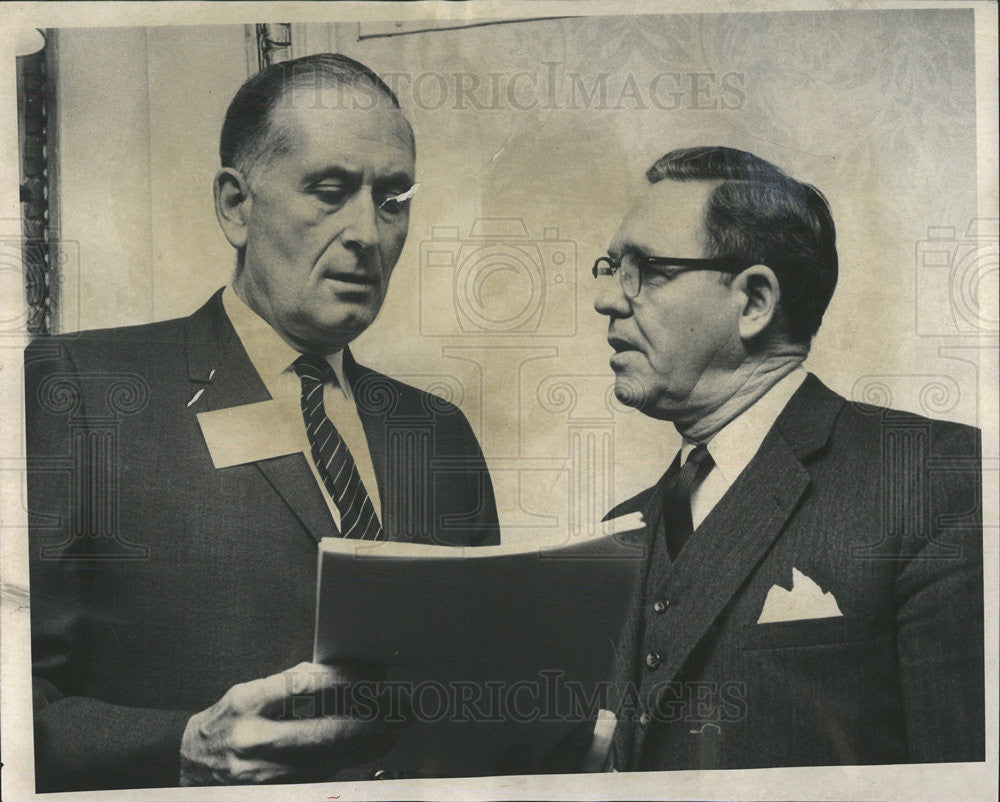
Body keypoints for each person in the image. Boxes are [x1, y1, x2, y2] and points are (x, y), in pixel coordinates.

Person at [25, 53, 500, 792]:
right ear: (236, 206)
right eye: (330, 191)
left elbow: (476, 694)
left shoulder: (437, 433)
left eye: (392, 199)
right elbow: (18, 708)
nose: (367, 234)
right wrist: (180, 747)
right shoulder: (88, 392)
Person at [592, 146, 984, 770]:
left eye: (648, 270)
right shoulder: (617, 534)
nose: (609, 300)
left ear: (753, 301)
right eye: (611, 267)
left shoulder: (935, 479)